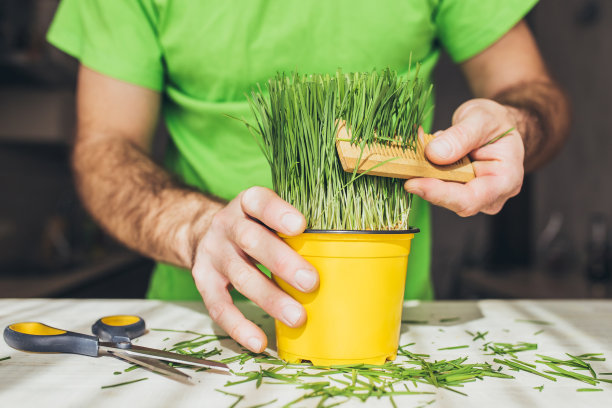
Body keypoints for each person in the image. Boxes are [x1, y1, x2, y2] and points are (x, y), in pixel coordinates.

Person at [47, 1, 569, 354]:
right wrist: (193, 227)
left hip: (398, 326)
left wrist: (516, 126)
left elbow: (531, 91)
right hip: (199, 323)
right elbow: (105, 147)